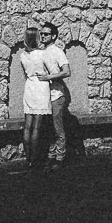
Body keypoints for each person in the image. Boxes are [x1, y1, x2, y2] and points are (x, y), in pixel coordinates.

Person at [38, 22, 82, 162]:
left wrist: (49, 77)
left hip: (56, 95)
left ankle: (60, 157)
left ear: (53, 36)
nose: (43, 36)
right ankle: (51, 155)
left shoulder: (57, 51)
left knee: (58, 128)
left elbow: (67, 71)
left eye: (46, 34)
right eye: (42, 34)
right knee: (49, 127)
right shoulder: (42, 51)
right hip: (45, 96)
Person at [16, 25, 57, 169]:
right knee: (37, 127)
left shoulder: (23, 55)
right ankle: (35, 159)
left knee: (28, 126)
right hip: (41, 86)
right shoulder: (42, 54)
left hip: (29, 86)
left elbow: (24, 74)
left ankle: (28, 159)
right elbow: (52, 71)